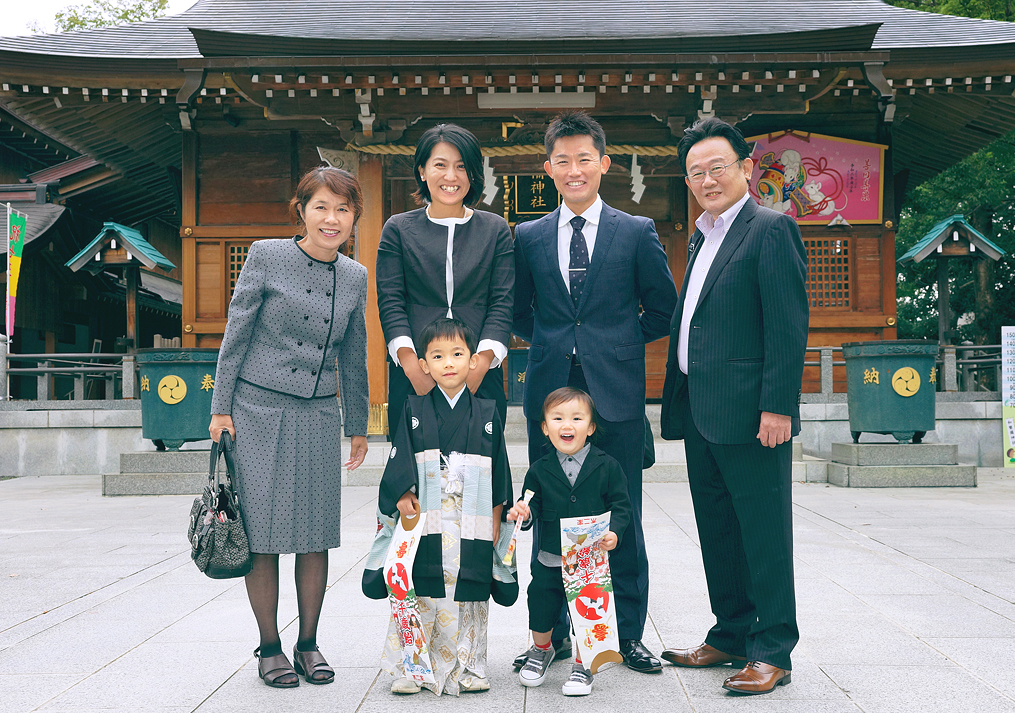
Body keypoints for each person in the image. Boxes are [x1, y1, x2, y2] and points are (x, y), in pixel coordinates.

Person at [512, 110, 678, 674]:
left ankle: (627, 635)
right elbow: (517, 312)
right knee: (549, 515)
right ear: (548, 168)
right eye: (563, 160)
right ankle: (552, 634)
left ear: (604, 163)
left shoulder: (636, 232)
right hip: (550, 395)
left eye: (585, 158)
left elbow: (663, 309)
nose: (575, 169)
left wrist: (612, 342)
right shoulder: (529, 237)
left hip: (617, 394)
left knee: (620, 517)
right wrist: (561, 344)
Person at [658, 117, 809, 695]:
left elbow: (787, 325)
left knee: (764, 531)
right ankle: (730, 634)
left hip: (753, 414)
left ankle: (773, 648)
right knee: (718, 528)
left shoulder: (770, 229)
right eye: (695, 172)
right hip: (704, 409)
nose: (706, 178)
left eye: (717, 167)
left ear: (746, 167)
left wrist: (778, 406)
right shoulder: (702, 235)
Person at [208, 166, 369, 688]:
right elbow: (237, 331)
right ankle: (270, 645)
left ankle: (308, 644)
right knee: (264, 533)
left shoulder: (354, 276)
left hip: (320, 413)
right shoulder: (266, 254)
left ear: (353, 219)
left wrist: (360, 424)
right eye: (321, 206)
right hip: (258, 410)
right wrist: (220, 406)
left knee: (315, 530)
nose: (332, 218)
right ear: (300, 209)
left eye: (343, 210)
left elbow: (354, 354)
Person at [362, 317, 514, 696]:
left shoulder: (487, 412)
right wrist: (400, 494)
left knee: (471, 590)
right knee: (420, 589)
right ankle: (412, 667)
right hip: (426, 515)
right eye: (438, 356)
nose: (449, 363)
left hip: (473, 517)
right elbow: (399, 459)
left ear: (474, 361)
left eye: (458, 354)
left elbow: (501, 470)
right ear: (424, 365)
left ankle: (471, 668)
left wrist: (496, 516)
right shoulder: (413, 409)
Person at [376, 123, 514, 438]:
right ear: (422, 170)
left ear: (473, 175)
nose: (451, 176)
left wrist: (479, 367)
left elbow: (502, 300)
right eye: (440, 165)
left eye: (461, 167)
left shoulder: (494, 229)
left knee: (478, 478)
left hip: (480, 370)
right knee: (417, 478)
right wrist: (413, 367)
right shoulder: (398, 229)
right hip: (416, 372)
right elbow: (391, 299)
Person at [507, 387, 632, 697]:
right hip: (551, 556)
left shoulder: (607, 466)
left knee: (586, 613)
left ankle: (583, 661)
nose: (567, 425)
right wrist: (524, 511)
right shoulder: (538, 470)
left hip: (590, 562)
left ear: (590, 427)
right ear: (545, 427)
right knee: (540, 604)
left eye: (577, 418)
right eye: (558, 418)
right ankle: (541, 649)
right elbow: (531, 505)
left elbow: (621, 506)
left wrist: (614, 531)